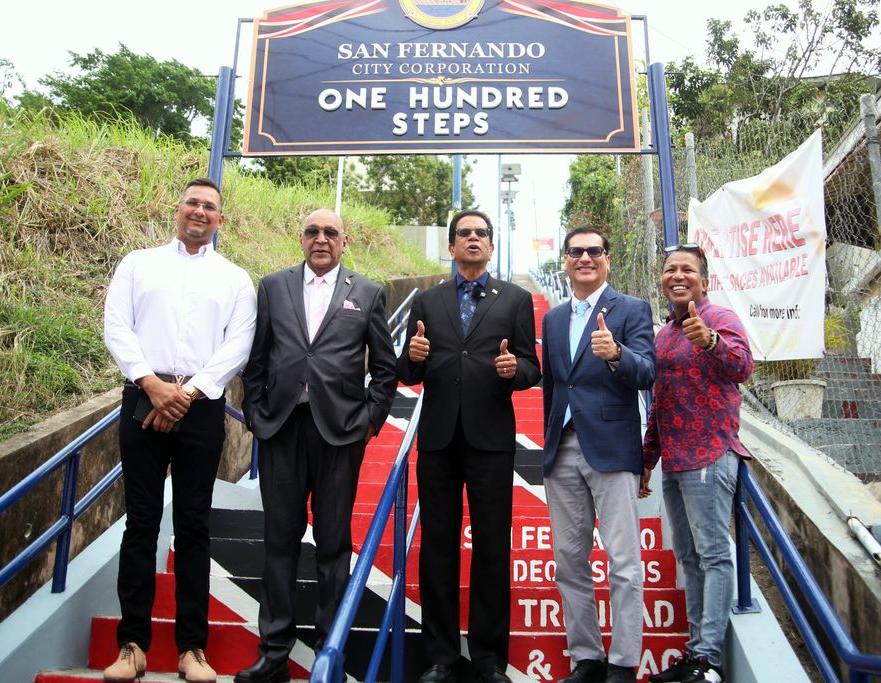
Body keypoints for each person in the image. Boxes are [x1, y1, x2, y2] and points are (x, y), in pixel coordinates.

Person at [102, 178, 257, 683]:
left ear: (220, 220)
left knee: (193, 526)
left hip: (202, 407)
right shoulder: (138, 264)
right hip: (142, 398)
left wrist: (184, 395)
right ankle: (132, 646)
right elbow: (116, 326)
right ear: (178, 209)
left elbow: (238, 345)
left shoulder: (235, 279)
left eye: (209, 206)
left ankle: (193, 649)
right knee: (141, 523)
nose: (200, 211)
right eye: (193, 202)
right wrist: (151, 384)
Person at [234, 208, 398, 683]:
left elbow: (384, 368)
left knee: (333, 543)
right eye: (312, 232)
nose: (321, 239)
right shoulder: (273, 286)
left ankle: (332, 647)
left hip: (340, 434)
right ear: (301, 239)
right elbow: (257, 358)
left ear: (344, 242)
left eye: (330, 232)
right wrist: (256, 413)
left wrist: (369, 421)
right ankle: (274, 653)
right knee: (279, 541)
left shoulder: (367, 292)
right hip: (282, 429)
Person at [398, 210, 541, 683]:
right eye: (464, 233)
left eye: (481, 233)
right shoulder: (426, 300)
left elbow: (531, 367)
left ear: (491, 246)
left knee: (492, 547)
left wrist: (514, 371)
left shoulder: (516, 299)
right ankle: (439, 656)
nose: (473, 239)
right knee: (437, 548)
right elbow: (408, 371)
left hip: (491, 439)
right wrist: (412, 356)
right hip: (439, 439)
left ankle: (488, 657)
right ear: (452, 246)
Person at [540, 227, 656, 683]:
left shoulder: (631, 309)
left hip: (611, 448)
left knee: (624, 561)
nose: (585, 258)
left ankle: (624, 663)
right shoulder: (553, 319)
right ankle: (586, 657)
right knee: (569, 560)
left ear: (607, 259)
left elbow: (647, 372)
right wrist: (549, 442)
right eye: (576, 251)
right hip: (563, 450)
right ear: (565, 260)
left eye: (594, 251)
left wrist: (616, 354)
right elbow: (554, 388)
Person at [641, 245, 754, 683]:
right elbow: (659, 402)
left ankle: (709, 660)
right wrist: (647, 457)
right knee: (688, 557)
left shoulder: (721, 318)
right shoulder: (664, 335)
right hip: (674, 460)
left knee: (713, 555)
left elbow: (743, 367)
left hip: (710, 452)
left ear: (704, 281)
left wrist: (709, 341)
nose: (677, 275)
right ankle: (694, 655)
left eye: (687, 269)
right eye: (670, 269)